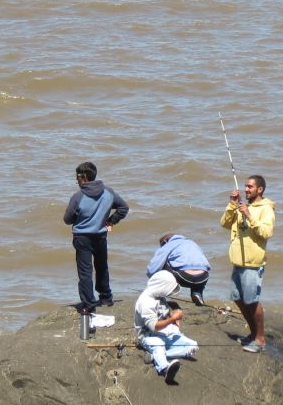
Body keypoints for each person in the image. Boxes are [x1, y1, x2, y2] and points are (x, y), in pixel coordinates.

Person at [63, 161, 129, 314]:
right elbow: (123, 208)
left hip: (82, 238)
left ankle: (88, 304)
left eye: (77, 178)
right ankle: (106, 298)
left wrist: (78, 216)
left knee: (85, 272)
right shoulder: (108, 192)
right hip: (100, 236)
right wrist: (111, 221)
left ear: (84, 177)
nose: (77, 181)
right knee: (101, 266)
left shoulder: (78, 196)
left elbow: (67, 219)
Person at [219, 174, 275, 353]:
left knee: (252, 301)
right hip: (238, 261)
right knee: (238, 298)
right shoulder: (242, 206)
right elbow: (224, 223)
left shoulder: (266, 209)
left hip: (253, 264)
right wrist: (232, 204)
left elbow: (266, 232)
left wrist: (249, 215)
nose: (246, 189)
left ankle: (260, 340)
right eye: (245, 186)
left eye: (250, 187)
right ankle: (253, 334)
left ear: (260, 189)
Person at [134, 270, 198, 383]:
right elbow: (154, 327)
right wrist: (172, 319)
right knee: (158, 345)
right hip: (149, 336)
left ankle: (156, 356)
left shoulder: (160, 296)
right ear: (161, 287)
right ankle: (164, 368)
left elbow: (164, 313)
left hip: (166, 333)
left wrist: (174, 318)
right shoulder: (146, 302)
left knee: (193, 346)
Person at [146, 233, 211, 305]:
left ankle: (160, 296)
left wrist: (153, 282)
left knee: (162, 263)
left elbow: (152, 268)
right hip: (203, 278)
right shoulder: (192, 243)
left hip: (184, 277)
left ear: (165, 241)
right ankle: (197, 293)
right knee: (199, 268)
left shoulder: (169, 244)